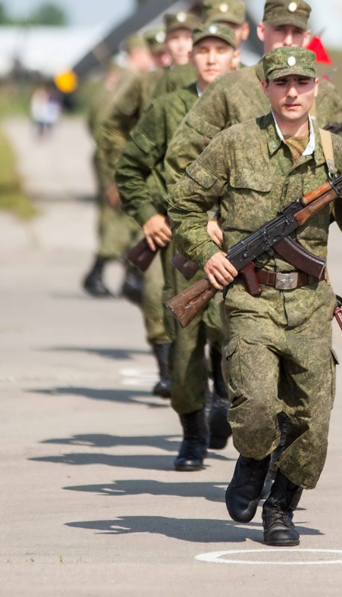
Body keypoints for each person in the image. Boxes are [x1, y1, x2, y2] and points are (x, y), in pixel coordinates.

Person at [168, 46, 342, 547]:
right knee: (254, 407)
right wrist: (204, 250)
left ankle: (280, 507)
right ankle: (253, 460)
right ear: (267, 88)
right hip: (250, 301)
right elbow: (185, 204)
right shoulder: (235, 143)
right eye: (282, 83)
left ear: (317, 88)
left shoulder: (336, 153)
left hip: (311, 305)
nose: (292, 92)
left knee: (312, 422)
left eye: (302, 83)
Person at [115, 23, 240, 471]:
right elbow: (130, 168)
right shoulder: (168, 108)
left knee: (234, 337)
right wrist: (148, 216)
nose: (209, 57)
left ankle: (225, 404)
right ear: (190, 56)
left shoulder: (253, 109)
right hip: (185, 248)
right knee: (185, 344)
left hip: (238, 247)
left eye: (219, 50)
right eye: (202, 49)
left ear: (236, 56)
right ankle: (192, 434)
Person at [163, 0, 342, 188]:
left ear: (307, 37)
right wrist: (204, 215)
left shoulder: (326, 94)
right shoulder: (228, 87)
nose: (288, 40)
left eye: (296, 32)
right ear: (261, 31)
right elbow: (182, 158)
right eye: (279, 30)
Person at [98, 21, 184, 394]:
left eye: (186, 40)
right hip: (155, 202)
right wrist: (121, 174)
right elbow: (112, 127)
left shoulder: (227, 89)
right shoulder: (147, 84)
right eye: (172, 42)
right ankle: (168, 372)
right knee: (155, 291)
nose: (177, 49)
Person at [82, 34, 151, 298]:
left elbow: (91, 121)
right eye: (149, 54)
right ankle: (100, 272)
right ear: (136, 54)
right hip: (118, 158)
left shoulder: (112, 79)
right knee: (126, 215)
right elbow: (108, 125)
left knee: (111, 215)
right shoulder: (130, 80)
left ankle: (126, 275)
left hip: (107, 156)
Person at [150, 10, 199, 99]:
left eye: (188, 37)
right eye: (175, 38)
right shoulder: (154, 80)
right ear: (165, 44)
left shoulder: (207, 74)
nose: (181, 45)